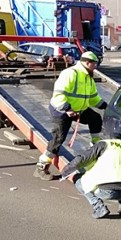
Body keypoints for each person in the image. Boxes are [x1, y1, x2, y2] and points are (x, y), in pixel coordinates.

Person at [35, 50, 107, 180]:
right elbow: (58, 95)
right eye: (94, 64)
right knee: (58, 138)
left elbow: (93, 97)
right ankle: (41, 166)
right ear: (87, 62)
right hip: (61, 110)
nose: (95, 66)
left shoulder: (88, 77)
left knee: (95, 118)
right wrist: (67, 108)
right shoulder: (70, 74)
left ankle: (96, 146)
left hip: (78, 110)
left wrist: (104, 105)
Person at [61, 137, 121, 219]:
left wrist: (65, 171)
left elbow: (82, 159)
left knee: (78, 180)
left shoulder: (104, 144)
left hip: (107, 191)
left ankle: (99, 207)